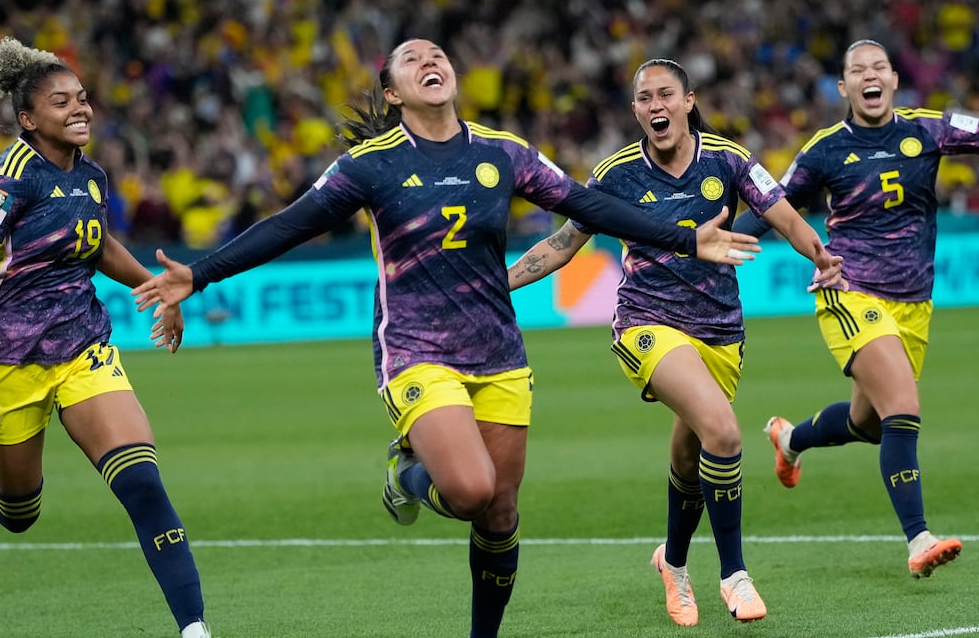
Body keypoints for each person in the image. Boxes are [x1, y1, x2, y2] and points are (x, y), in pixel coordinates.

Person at [130, 38, 764, 638]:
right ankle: (405, 475)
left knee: (501, 515)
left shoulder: (503, 152)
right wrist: (202, 272)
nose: (429, 61)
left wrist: (687, 237)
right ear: (394, 91)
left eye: (437, 55)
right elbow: (291, 225)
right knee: (467, 489)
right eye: (412, 59)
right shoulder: (370, 165)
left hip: (500, 353)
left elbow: (585, 205)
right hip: (416, 349)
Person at [733, 39, 979, 578]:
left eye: (879, 68)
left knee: (868, 423)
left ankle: (790, 438)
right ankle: (918, 539)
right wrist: (710, 243)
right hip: (849, 292)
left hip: (913, 303)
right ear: (843, 88)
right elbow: (771, 207)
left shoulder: (928, 128)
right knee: (903, 409)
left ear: (894, 79)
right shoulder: (824, 149)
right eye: (856, 71)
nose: (869, 77)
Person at [507, 59, 845, 626]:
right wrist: (500, 283)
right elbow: (564, 243)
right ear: (636, 111)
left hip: (719, 331)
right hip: (647, 323)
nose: (655, 106)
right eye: (644, 99)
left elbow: (785, 215)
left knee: (690, 459)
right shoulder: (615, 173)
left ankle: (675, 564)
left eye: (666, 95)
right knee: (725, 431)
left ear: (689, 101)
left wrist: (819, 253)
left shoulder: (729, 160)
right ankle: (735, 575)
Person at [0, 37, 212, 638]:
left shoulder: (93, 176)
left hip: (84, 348)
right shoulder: (10, 179)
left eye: (82, 98)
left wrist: (157, 287)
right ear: (29, 118)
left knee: (141, 481)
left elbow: (96, 241)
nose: (80, 109)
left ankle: (195, 629)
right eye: (62, 102)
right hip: (10, 360)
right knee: (19, 514)